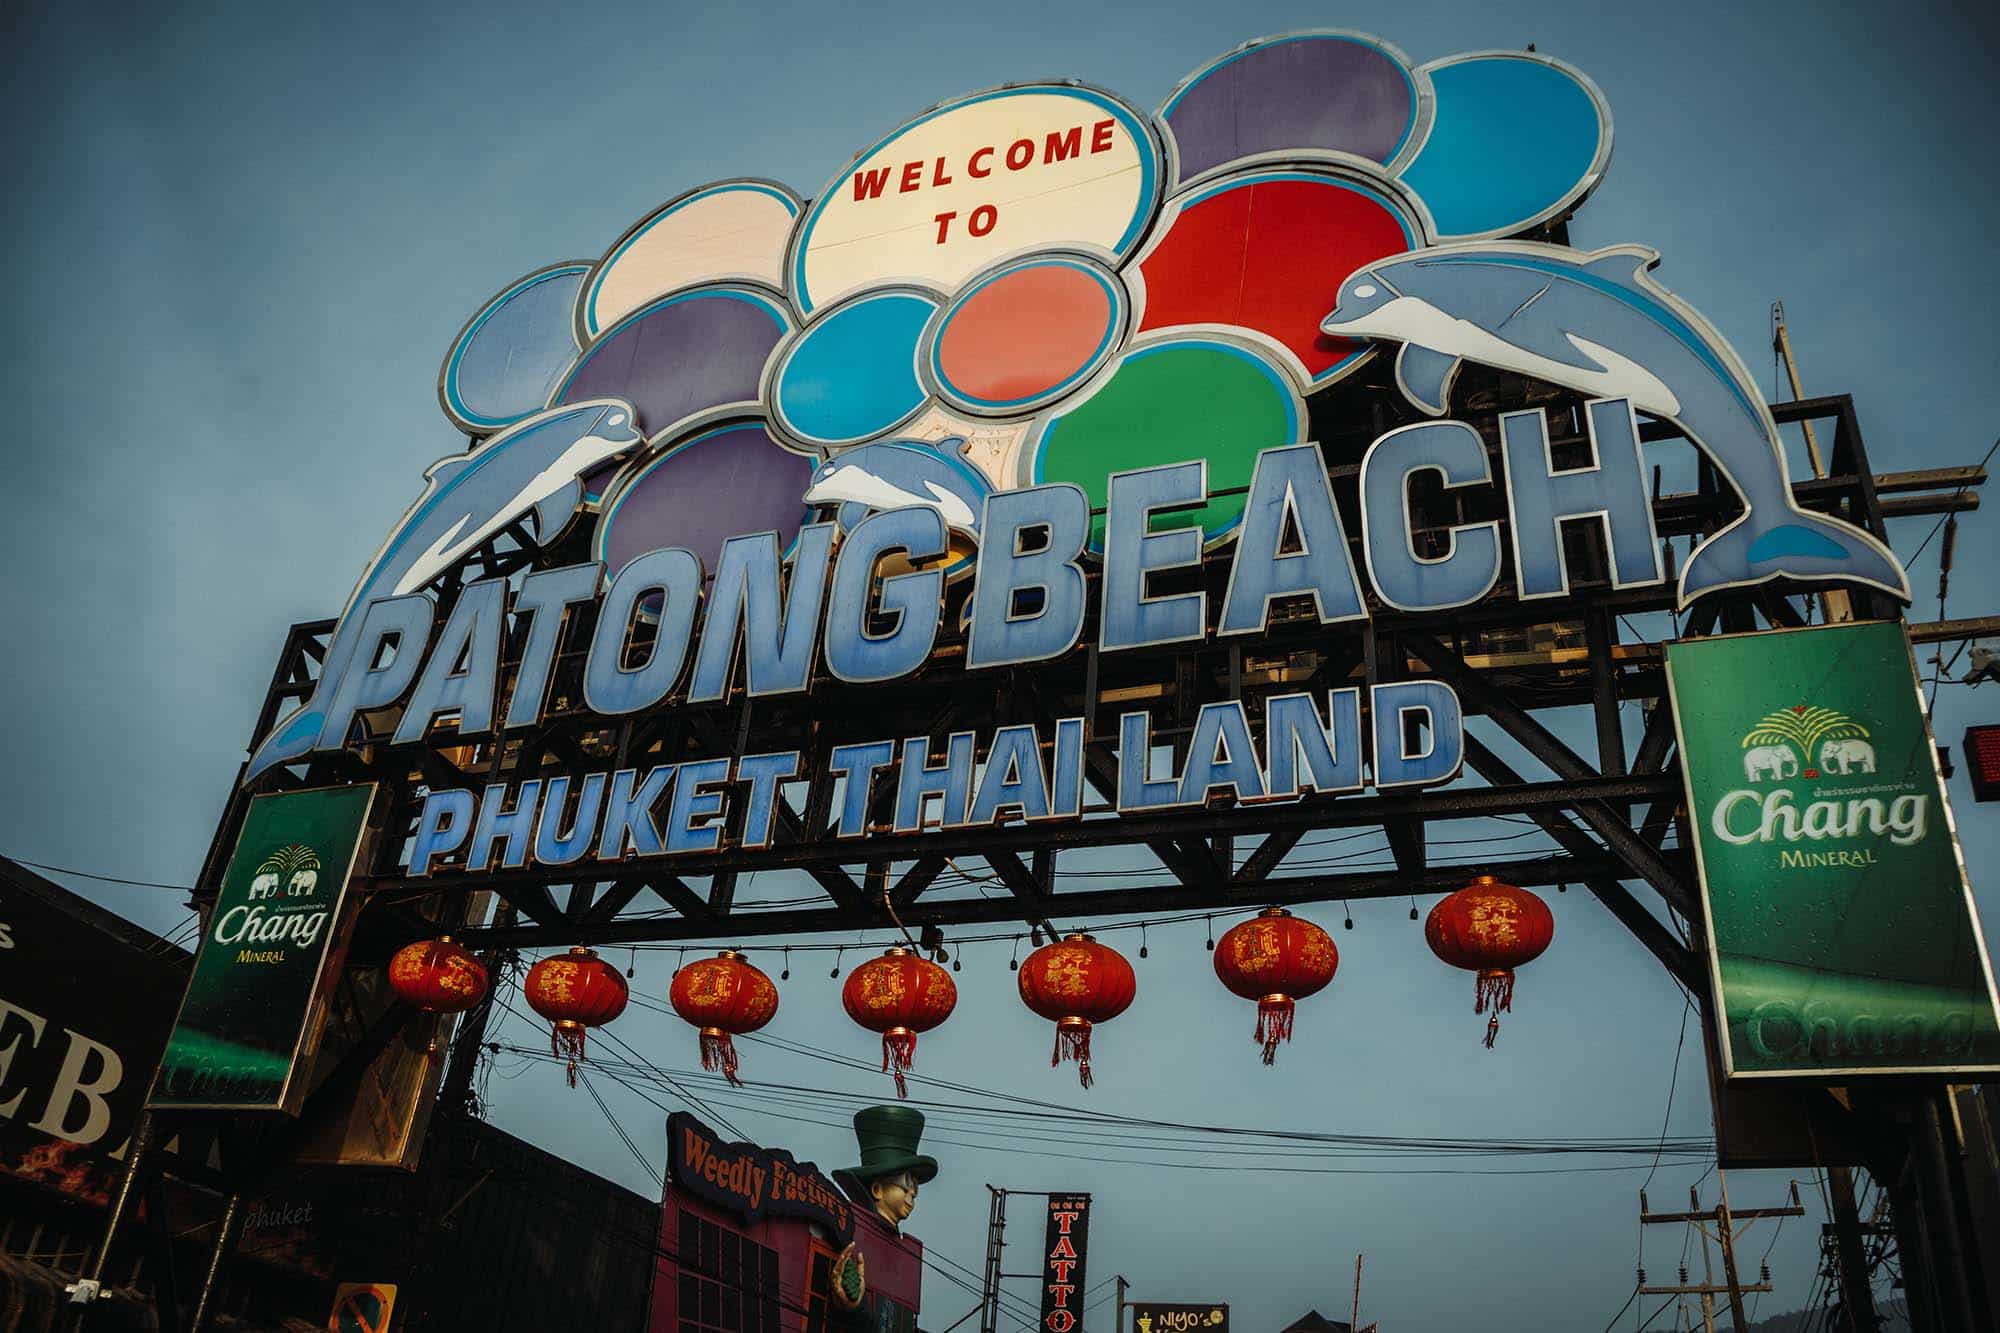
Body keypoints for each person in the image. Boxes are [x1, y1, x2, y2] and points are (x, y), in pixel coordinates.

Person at [828, 1106, 937, 1317]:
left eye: (914, 1193)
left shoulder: (906, 1254)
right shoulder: (851, 1235)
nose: (910, 1198)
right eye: (905, 1189)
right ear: (877, 1189)